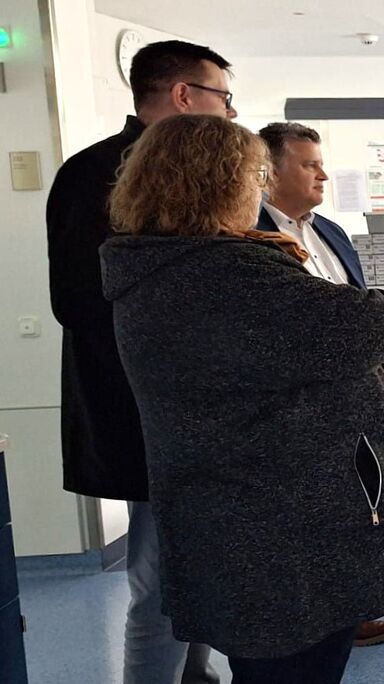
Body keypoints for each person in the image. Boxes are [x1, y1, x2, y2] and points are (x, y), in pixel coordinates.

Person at [100, 114, 384, 683]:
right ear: (220, 183)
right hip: (279, 525)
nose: (260, 189)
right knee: (295, 668)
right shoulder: (229, 272)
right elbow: (373, 321)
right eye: (255, 176)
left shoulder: (153, 267)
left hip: (230, 505)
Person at [44, 39, 234, 684]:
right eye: (222, 97)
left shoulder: (191, 174)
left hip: (195, 409)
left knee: (197, 567)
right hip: (146, 409)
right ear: (183, 95)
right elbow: (81, 302)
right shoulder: (99, 173)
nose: (229, 113)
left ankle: (196, 674)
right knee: (162, 579)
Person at [257, 121, 384, 648]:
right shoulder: (249, 237)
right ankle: (324, 618)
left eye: (321, 164)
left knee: (361, 505)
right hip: (301, 405)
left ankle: (353, 607)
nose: (322, 175)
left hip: (358, 396)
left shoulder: (332, 232)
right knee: (312, 514)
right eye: (308, 165)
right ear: (270, 172)